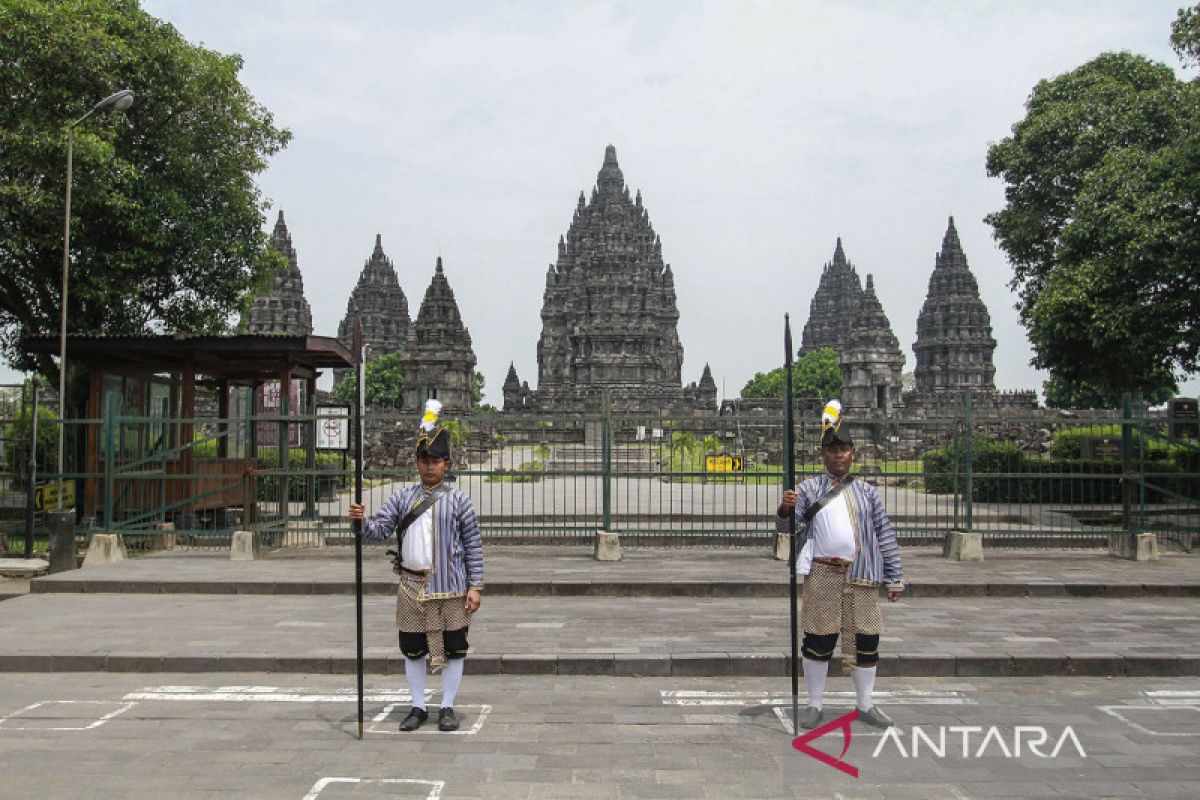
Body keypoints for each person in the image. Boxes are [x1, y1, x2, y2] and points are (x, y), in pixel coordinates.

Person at [349, 399, 484, 732]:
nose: (429, 467)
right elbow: (378, 531)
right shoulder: (401, 498)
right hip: (411, 585)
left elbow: (473, 546)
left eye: (435, 461)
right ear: (416, 463)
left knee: (454, 648)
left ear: (447, 463)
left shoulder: (459, 500)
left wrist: (476, 585)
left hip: (451, 584)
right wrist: (360, 521)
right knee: (412, 649)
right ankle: (418, 705)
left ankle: (448, 706)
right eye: (424, 461)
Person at [777, 400, 904, 730]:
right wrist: (785, 509)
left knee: (867, 641)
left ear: (852, 454)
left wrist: (895, 577)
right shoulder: (807, 489)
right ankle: (815, 704)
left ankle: (865, 704)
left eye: (844, 449)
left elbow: (884, 533)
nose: (838, 455)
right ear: (823, 455)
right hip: (822, 574)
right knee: (818, 641)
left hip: (861, 574)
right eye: (832, 450)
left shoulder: (867, 492)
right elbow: (788, 529)